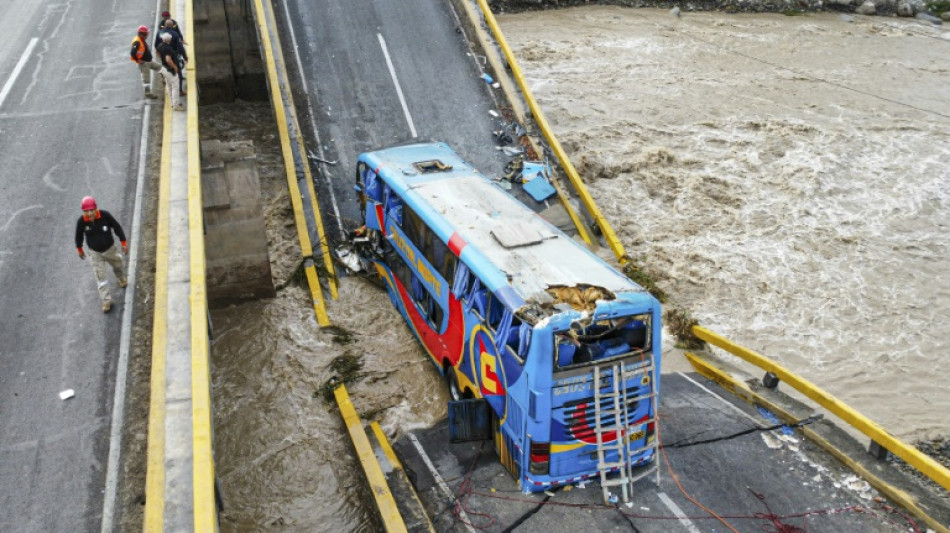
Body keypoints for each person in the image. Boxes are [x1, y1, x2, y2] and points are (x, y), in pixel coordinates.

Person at [75, 196, 128, 313]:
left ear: (96, 208)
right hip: (95, 254)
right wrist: (79, 249)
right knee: (100, 277)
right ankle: (106, 300)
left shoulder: (105, 216)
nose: (89, 213)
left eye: (91, 210)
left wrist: (123, 242)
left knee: (118, 265)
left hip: (110, 250)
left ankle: (121, 278)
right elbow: (78, 235)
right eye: (86, 211)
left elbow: (117, 227)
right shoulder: (81, 222)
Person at [130, 25, 160, 99]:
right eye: (146, 34)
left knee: (160, 67)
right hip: (144, 64)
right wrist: (138, 60)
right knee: (146, 80)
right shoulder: (137, 42)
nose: (147, 35)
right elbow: (132, 52)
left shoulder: (141, 39)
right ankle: (148, 93)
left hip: (149, 62)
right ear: (141, 34)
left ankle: (165, 80)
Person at [156, 32, 183, 111]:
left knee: (169, 85)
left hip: (164, 68)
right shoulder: (168, 48)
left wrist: (162, 58)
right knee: (175, 86)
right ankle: (176, 105)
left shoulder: (160, 46)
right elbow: (168, 59)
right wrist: (174, 67)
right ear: (169, 40)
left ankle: (172, 103)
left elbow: (157, 53)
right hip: (170, 70)